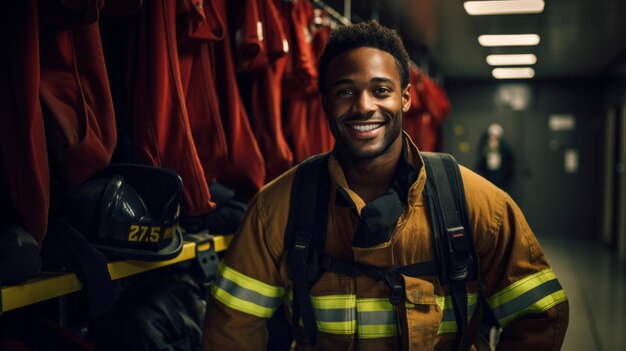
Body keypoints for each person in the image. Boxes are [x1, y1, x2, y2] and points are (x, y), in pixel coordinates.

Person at [202, 21, 569, 350]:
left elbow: (539, 315)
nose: (364, 106)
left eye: (381, 90)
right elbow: (231, 330)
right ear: (326, 102)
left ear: (405, 97)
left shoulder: (474, 203)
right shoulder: (277, 209)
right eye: (346, 92)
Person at [477, 123, 516, 192]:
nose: (493, 138)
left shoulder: (504, 148)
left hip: (501, 179)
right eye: (491, 136)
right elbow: (481, 163)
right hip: (488, 178)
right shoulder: (485, 147)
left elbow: (510, 161)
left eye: (495, 136)